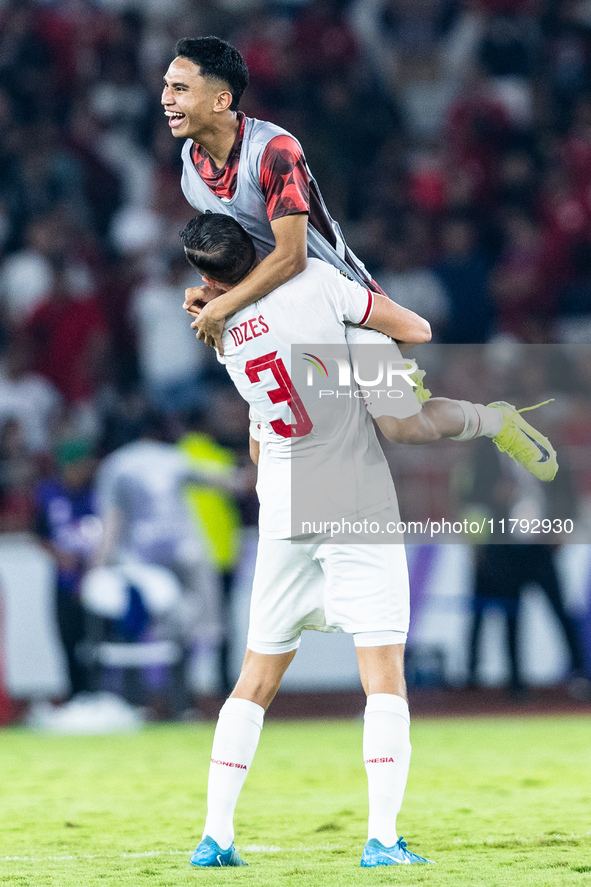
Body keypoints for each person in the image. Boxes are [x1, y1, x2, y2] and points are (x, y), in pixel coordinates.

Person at [177, 213, 559, 869]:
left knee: (254, 678)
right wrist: (369, 338)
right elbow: (418, 329)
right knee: (382, 676)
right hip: (352, 496)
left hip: (283, 508)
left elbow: (256, 433)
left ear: (211, 276)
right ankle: (381, 838)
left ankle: (215, 835)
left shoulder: (218, 331)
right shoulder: (316, 281)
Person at [162, 36, 558, 483]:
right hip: (272, 314)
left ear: (221, 99)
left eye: (179, 88)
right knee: (264, 456)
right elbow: (233, 252)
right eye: (166, 86)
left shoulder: (273, 150)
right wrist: (211, 290)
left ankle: (496, 421)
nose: (165, 99)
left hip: (335, 300)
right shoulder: (191, 170)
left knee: (403, 427)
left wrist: (221, 307)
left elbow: (292, 257)